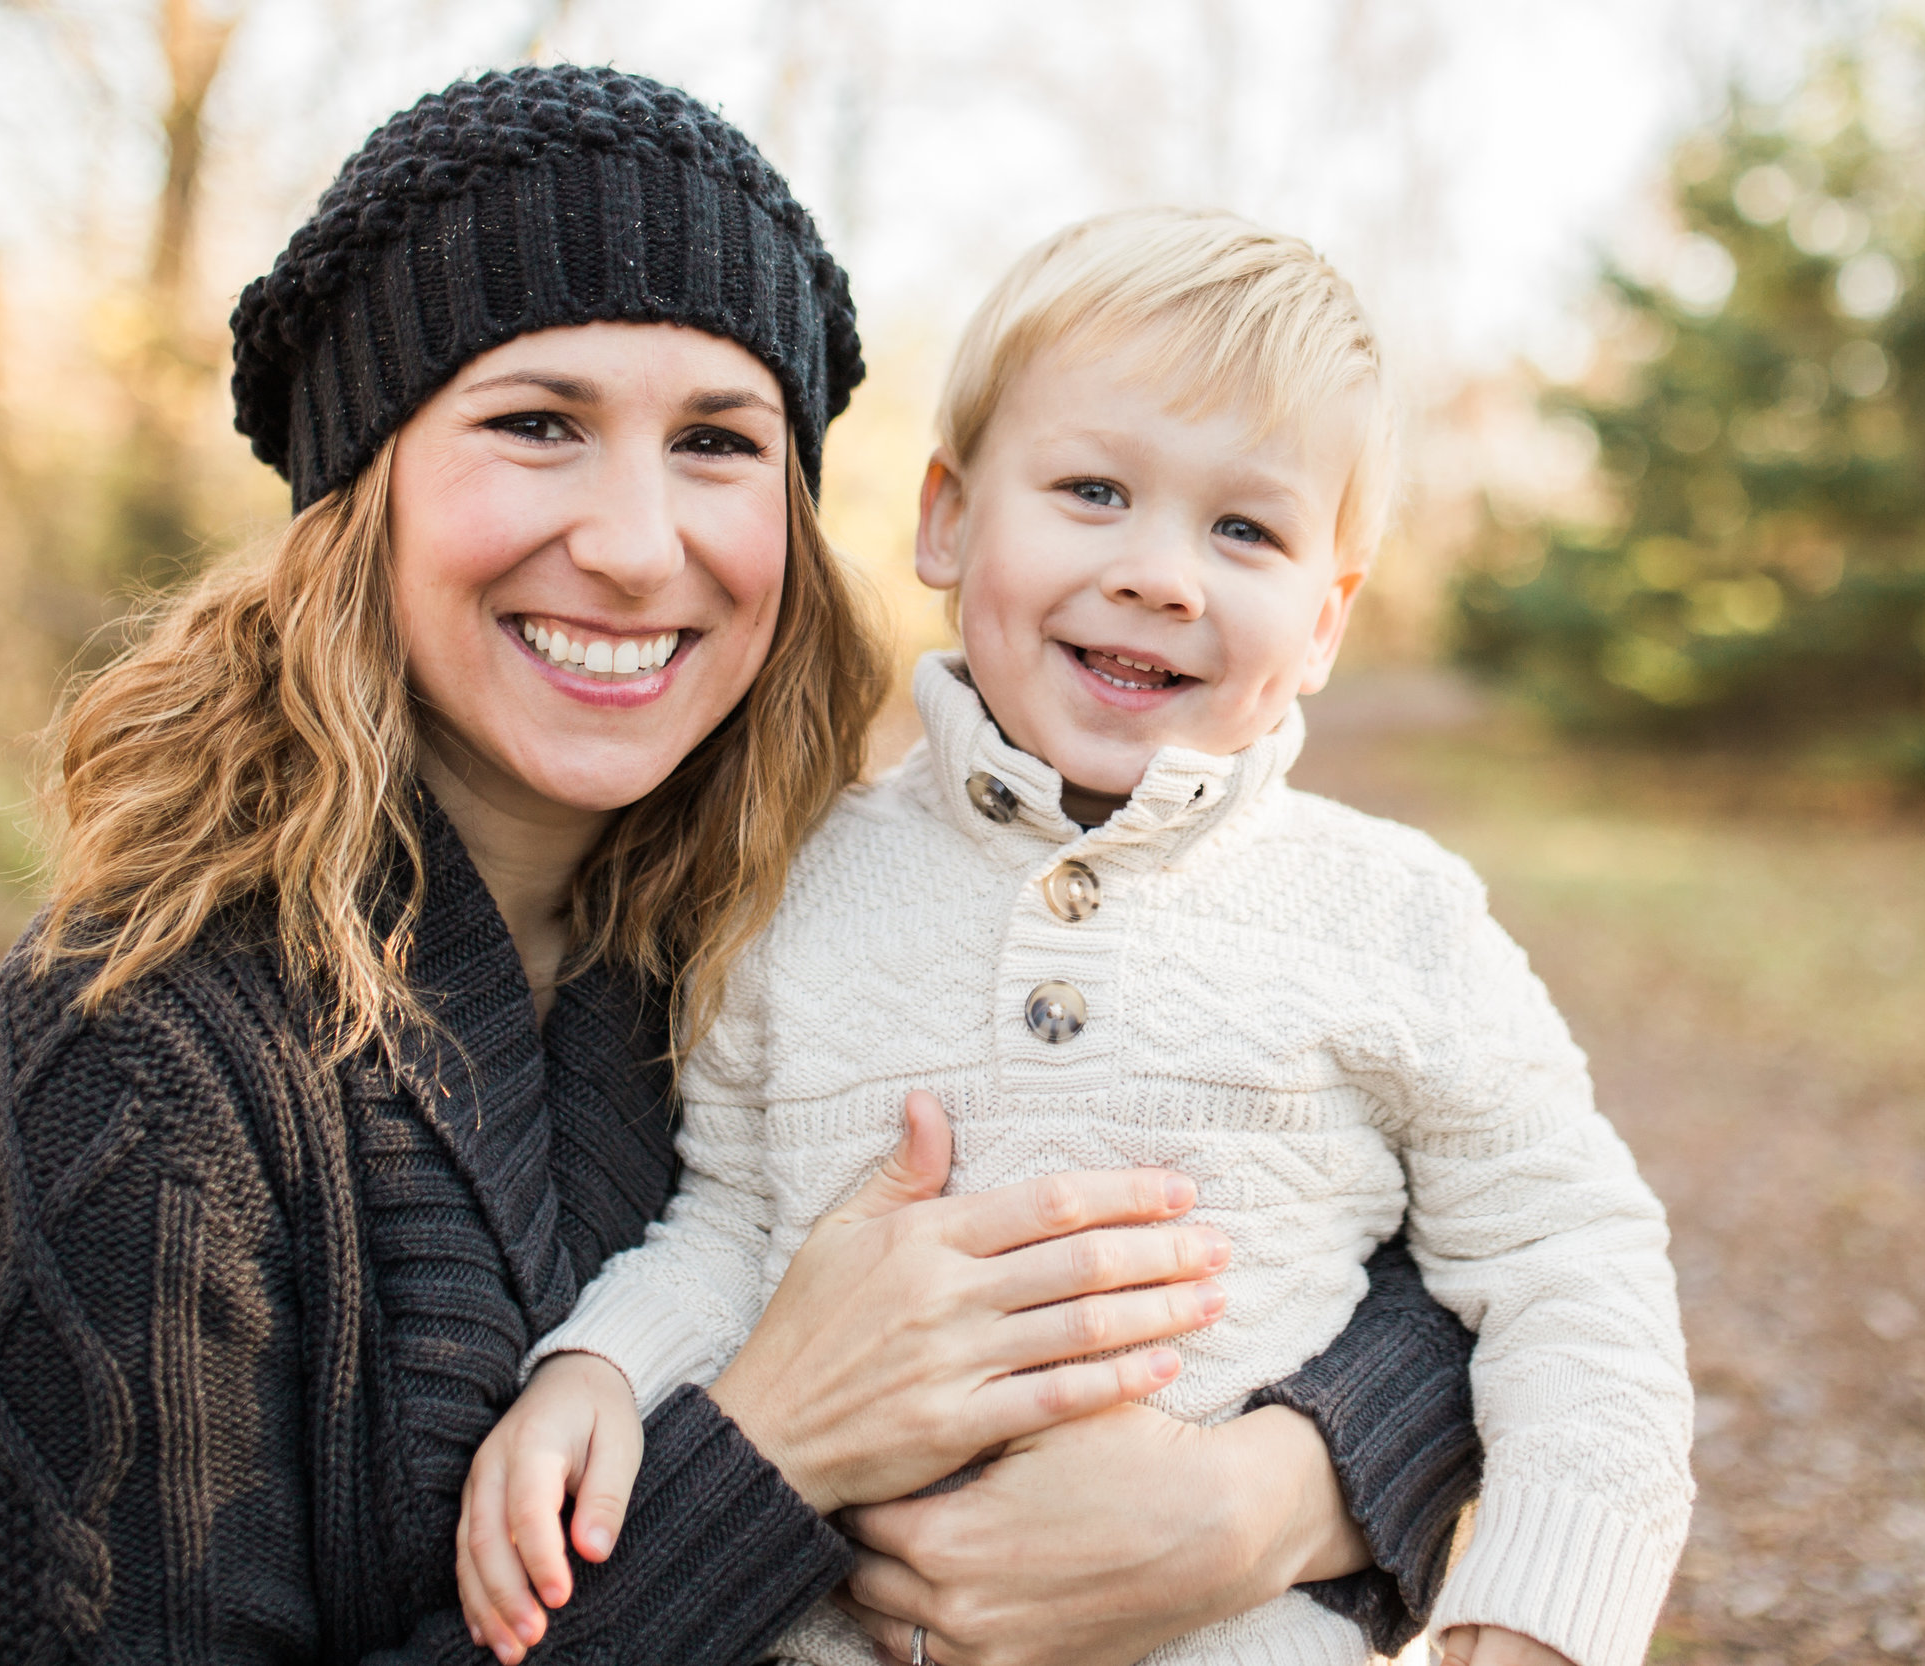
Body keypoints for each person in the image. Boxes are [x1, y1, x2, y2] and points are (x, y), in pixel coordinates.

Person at [0, 70, 1486, 1666]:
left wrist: (1275, 1495)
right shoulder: (136, 1076)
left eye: (716, 441)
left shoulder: (794, 921)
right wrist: (769, 1457)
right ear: (356, 491)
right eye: (535, 423)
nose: (639, 542)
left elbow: (1417, 1229)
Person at [460, 207, 1696, 1666]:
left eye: (1245, 528)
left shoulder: (1398, 913)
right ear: (948, 517)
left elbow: (1568, 1256)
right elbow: (734, 1219)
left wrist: (1547, 1605)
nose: (1162, 572)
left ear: (1323, 621)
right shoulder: (799, 882)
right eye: (1095, 489)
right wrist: (602, 1364)